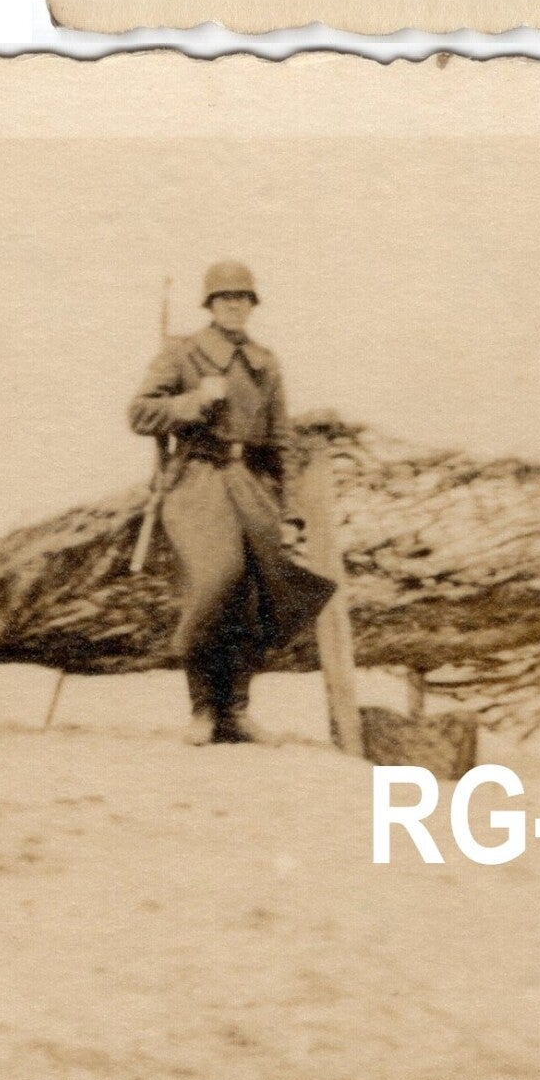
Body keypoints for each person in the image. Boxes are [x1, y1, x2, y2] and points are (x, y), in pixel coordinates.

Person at [128, 261, 337, 746]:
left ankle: (237, 711)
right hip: (196, 480)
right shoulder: (183, 354)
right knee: (213, 583)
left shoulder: (266, 361)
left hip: (249, 483)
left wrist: (289, 510)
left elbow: (282, 438)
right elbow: (139, 413)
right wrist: (193, 400)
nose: (235, 307)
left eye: (243, 299)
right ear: (210, 306)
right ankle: (203, 709)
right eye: (225, 299)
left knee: (257, 592)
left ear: (252, 305)